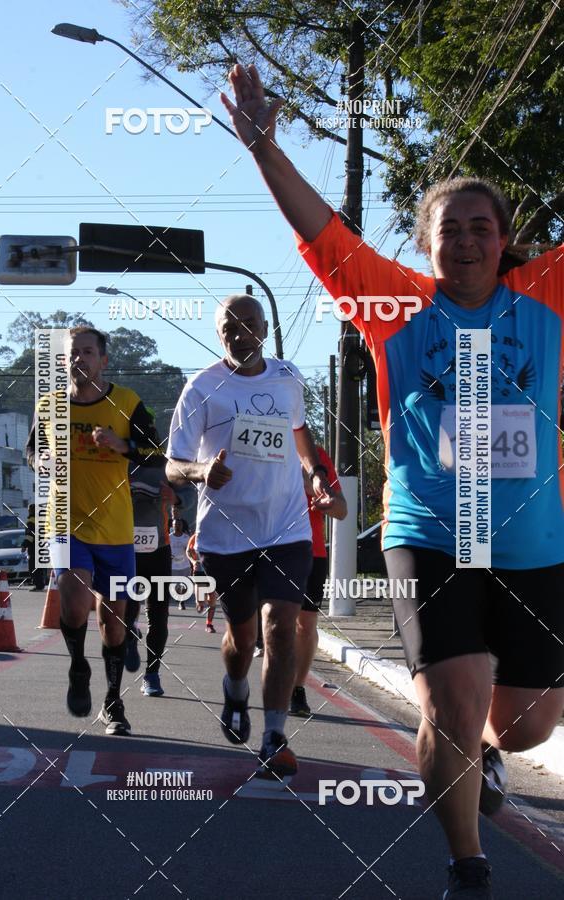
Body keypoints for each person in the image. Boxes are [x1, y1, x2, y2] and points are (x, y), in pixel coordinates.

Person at [221, 65, 564, 897]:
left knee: (524, 725)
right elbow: (323, 232)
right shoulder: (392, 305)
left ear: (506, 238)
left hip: (530, 540)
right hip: (429, 534)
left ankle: (481, 745)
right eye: (451, 230)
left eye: (483, 228)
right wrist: (265, 148)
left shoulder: (546, 293)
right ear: (426, 244)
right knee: (450, 700)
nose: (468, 242)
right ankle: (467, 865)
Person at [166, 292, 334, 779]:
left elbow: (300, 431)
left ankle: (274, 736)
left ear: (264, 327)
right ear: (218, 335)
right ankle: (235, 689)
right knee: (241, 638)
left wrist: (315, 471)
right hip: (227, 534)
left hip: (287, 526)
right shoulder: (201, 388)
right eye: (228, 328)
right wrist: (201, 471)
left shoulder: (288, 378)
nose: (239, 334)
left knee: (280, 627)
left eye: (248, 324)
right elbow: (173, 464)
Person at [26, 327, 160, 736]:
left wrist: (123, 446)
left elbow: (157, 451)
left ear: (103, 359)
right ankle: (79, 666)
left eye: (87, 353)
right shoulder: (49, 406)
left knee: (114, 622)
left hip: (115, 529)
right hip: (65, 522)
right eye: (72, 354)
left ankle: (113, 701)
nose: (78, 360)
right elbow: (31, 451)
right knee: (73, 599)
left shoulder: (127, 403)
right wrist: (41, 460)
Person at [124, 407, 178, 697]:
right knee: (126, 610)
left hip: (159, 550)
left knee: (159, 616)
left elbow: (189, 491)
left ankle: (152, 674)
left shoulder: (166, 465)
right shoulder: (119, 463)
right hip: (125, 551)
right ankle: (129, 634)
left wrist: (177, 497)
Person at [290, 445, 346, 717]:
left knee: (305, 625)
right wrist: (307, 486)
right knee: (276, 621)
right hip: (272, 546)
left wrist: (329, 501)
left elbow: (342, 509)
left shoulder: (318, 455)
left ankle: (297, 689)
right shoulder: (263, 441)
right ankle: (276, 685)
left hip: (313, 551)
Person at [186, 532, 218, 632]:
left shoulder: (216, 536)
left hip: (212, 571)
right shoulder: (195, 536)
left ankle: (209, 625)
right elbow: (188, 551)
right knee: (200, 604)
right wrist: (193, 561)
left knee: (212, 599)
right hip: (199, 570)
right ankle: (199, 603)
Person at [22, 503, 46, 591]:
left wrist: (24, 545)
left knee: (33, 567)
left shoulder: (31, 521)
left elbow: (30, 535)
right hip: (42, 545)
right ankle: (41, 584)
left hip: (34, 547)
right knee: (39, 567)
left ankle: (38, 585)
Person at [169, 516, 191, 610]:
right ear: (172, 526)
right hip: (173, 566)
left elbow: (190, 550)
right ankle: (179, 599)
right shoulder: (169, 537)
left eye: (179, 524)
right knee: (176, 586)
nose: (177, 526)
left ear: (182, 526)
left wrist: (188, 551)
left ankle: (182, 602)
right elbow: (165, 550)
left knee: (184, 584)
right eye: (175, 525)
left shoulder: (186, 538)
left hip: (185, 565)